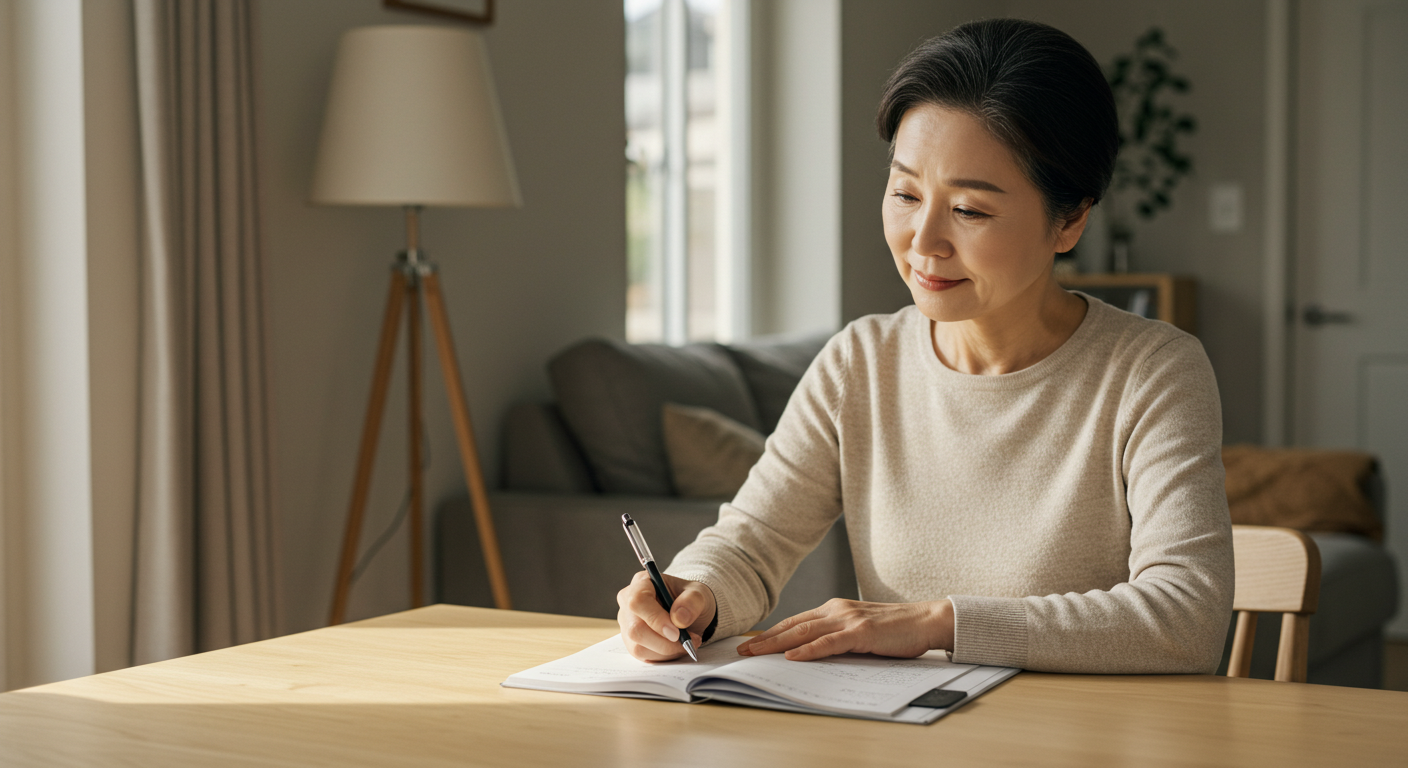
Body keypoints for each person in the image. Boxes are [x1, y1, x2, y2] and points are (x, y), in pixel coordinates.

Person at [616, 18, 1233, 674]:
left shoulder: (1151, 371)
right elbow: (751, 543)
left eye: (970, 210)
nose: (924, 241)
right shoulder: (861, 364)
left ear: (1071, 219)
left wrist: (937, 622)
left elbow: (1185, 613)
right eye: (905, 193)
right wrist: (693, 594)